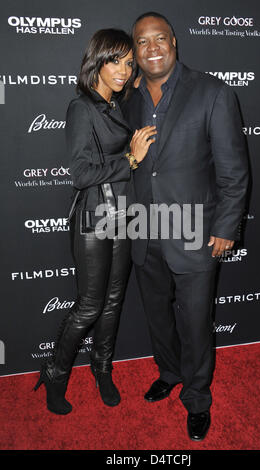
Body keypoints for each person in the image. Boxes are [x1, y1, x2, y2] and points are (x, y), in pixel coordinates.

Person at [121, 12, 249, 441]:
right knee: (158, 316)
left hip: (195, 230)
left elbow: (234, 171)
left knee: (195, 322)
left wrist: (227, 226)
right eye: (142, 42)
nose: (152, 47)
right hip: (145, 228)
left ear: (174, 42)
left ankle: (197, 398)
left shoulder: (212, 92)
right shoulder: (130, 98)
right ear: (135, 51)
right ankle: (169, 372)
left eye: (160, 39)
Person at [34, 29, 156, 414]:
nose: (123, 70)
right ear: (97, 62)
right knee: (89, 305)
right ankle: (54, 372)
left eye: (127, 63)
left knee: (114, 301)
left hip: (124, 215)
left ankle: (102, 368)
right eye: (115, 61)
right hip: (94, 216)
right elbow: (81, 174)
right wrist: (131, 160)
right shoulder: (81, 107)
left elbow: (145, 88)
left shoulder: (118, 105)